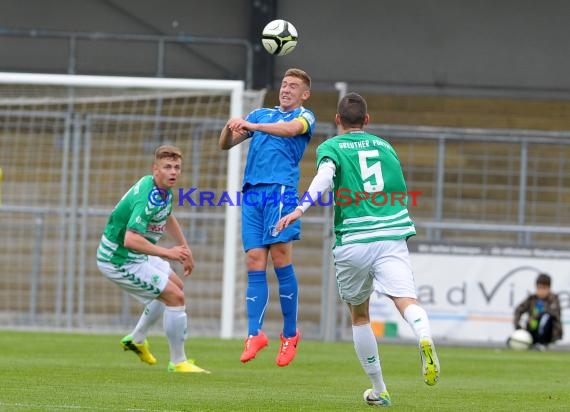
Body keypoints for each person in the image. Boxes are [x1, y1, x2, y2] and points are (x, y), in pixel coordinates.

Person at [276, 92, 440, 406]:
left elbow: (324, 178)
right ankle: (423, 335)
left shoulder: (332, 147)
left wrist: (300, 209)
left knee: (359, 314)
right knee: (406, 300)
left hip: (354, 239)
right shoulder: (385, 146)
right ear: (367, 120)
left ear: (337, 120)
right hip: (390, 233)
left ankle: (380, 390)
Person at [219, 68, 316, 367]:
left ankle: (289, 335)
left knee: (281, 259)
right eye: (284, 84)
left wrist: (251, 125)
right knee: (253, 261)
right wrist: (229, 128)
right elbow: (226, 145)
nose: (286, 89)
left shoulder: (305, 117)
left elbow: (289, 130)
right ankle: (254, 335)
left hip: (281, 191)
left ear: (304, 94)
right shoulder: (261, 114)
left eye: (293, 86)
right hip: (252, 193)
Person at [96, 144, 209, 373]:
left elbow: (167, 216)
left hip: (135, 255)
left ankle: (136, 339)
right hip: (118, 259)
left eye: (177, 167)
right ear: (155, 169)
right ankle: (178, 362)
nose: (173, 172)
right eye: (167, 167)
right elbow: (130, 239)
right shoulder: (147, 197)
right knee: (175, 297)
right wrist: (169, 253)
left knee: (175, 287)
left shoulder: (161, 190)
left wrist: (185, 249)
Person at [513, 273, 562, 350]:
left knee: (546, 317)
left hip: (549, 334)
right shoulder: (532, 299)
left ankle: (542, 342)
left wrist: (535, 317)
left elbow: (553, 313)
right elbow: (518, 309)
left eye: (544, 288)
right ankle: (531, 340)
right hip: (532, 330)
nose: (541, 291)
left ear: (549, 288)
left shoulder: (554, 299)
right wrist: (517, 325)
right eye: (539, 288)